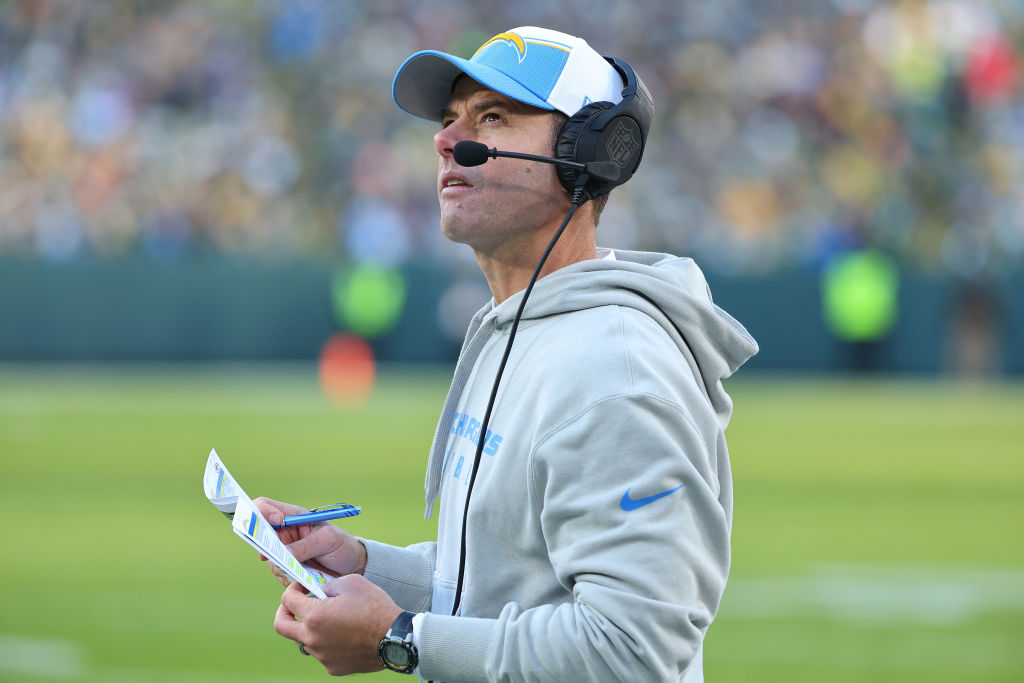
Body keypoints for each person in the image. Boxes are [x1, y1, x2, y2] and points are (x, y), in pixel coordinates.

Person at [256, 26, 758, 682]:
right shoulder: (519, 328)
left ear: (589, 152)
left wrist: (399, 637)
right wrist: (361, 565)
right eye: (448, 119)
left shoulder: (615, 364)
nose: (445, 140)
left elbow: (633, 649)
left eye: (493, 116)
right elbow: (504, 579)